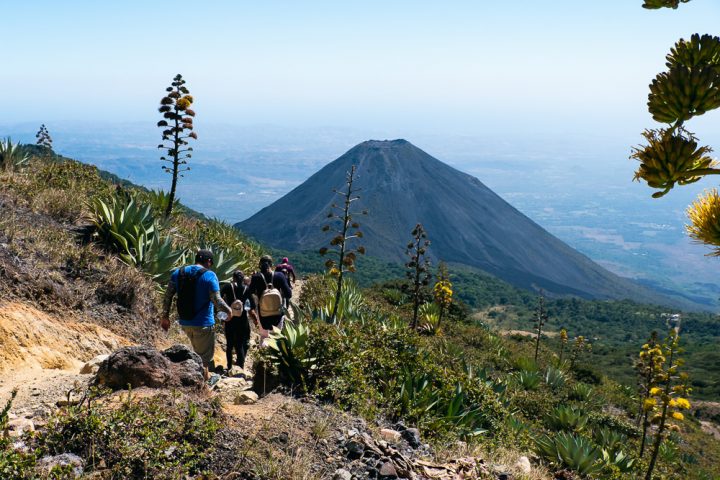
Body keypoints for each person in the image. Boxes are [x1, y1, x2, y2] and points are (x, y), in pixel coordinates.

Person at [160, 249, 231, 375]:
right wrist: (228, 311)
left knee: (194, 354)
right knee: (204, 359)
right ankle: (203, 387)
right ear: (208, 261)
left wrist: (165, 317)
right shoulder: (210, 275)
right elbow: (217, 300)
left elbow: (167, 296)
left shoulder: (178, 273)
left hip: (185, 323)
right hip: (203, 324)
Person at [250, 255, 292, 344]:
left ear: (260, 265)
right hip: (278, 312)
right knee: (277, 337)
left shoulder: (256, 277)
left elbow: (250, 292)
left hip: (262, 313)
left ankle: (263, 355)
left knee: (264, 336)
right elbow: (289, 294)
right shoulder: (279, 276)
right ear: (271, 264)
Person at [220, 270, 257, 371]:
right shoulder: (247, 289)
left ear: (233, 278)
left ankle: (229, 367)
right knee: (240, 344)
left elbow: (219, 299)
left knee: (229, 344)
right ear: (243, 278)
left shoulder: (228, 287)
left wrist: (222, 314)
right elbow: (252, 306)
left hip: (229, 318)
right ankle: (241, 367)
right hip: (242, 320)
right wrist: (255, 319)